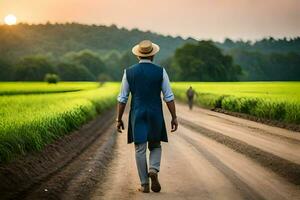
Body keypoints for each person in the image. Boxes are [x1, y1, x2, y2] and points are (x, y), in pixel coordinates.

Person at [116, 40, 178, 193]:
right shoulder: (161, 71)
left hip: (137, 114)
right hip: (155, 113)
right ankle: (153, 170)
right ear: (153, 55)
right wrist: (174, 117)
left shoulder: (128, 72)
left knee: (140, 149)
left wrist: (119, 119)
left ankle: (144, 184)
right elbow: (168, 97)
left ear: (138, 56)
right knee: (155, 145)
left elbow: (122, 98)